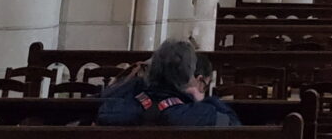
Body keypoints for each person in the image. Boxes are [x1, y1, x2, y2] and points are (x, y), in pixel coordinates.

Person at [97, 39, 241, 126]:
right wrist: (205, 101)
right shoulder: (204, 114)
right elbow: (234, 125)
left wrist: (135, 83)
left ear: (152, 70)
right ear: (188, 76)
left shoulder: (113, 110)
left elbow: (99, 103)